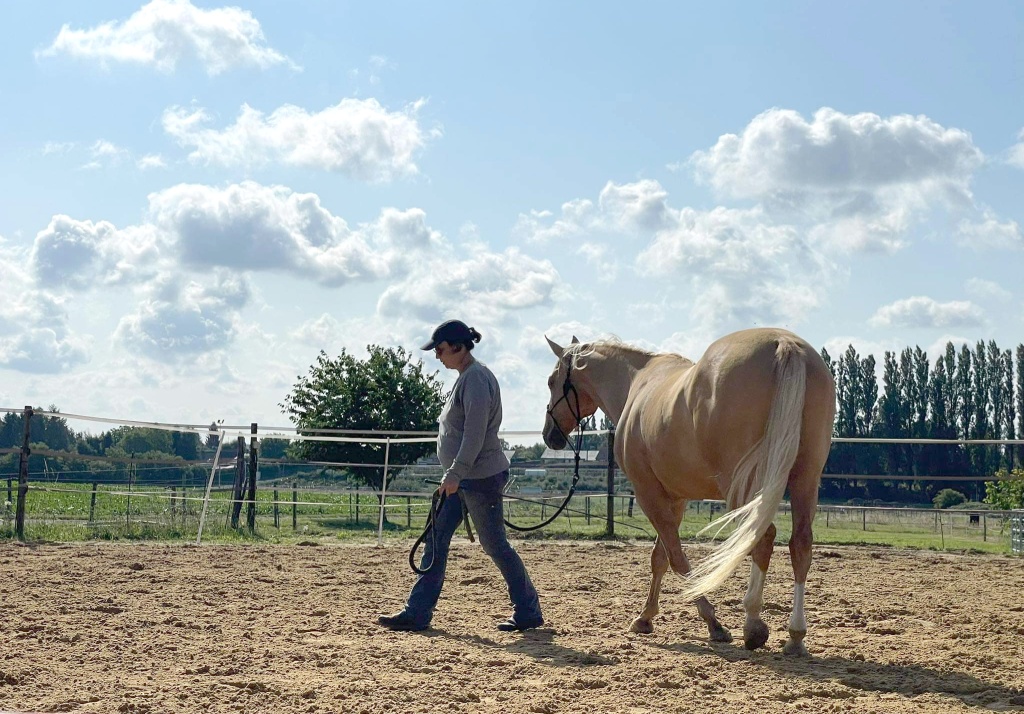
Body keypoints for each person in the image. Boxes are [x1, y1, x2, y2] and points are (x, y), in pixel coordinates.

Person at [378, 319, 544, 633]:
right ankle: (417, 611)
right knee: (436, 539)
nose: (438, 356)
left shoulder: (477, 379)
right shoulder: (466, 378)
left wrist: (455, 472)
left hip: (477, 478)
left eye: (441, 350)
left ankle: (528, 610)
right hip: (461, 478)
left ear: (458, 346)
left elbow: (474, 433)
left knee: (495, 545)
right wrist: (454, 474)